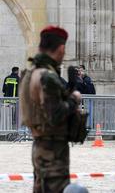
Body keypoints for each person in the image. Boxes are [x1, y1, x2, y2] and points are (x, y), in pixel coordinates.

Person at [19, 26, 83, 192]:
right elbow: (55, 115)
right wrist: (74, 99)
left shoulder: (31, 73)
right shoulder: (47, 76)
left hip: (41, 146)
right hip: (53, 150)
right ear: (61, 48)